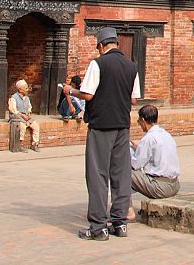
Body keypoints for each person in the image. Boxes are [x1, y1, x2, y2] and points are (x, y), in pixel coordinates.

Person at [64, 27, 141, 241]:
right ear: (116, 43)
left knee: (98, 174)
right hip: (122, 126)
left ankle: (98, 226)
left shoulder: (98, 64)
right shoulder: (131, 66)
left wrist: (70, 91)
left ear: (101, 46)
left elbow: (87, 95)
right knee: (121, 173)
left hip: (101, 126)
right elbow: (134, 99)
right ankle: (120, 222)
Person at [129, 104, 181, 206]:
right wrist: (138, 148)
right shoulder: (166, 134)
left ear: (143, 120)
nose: (139, 123)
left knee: (122, 172)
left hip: (161, 186)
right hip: (174, 184)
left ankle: (127, 209)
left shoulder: (149, 138)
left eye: (139, 121)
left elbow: (136, 164)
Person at [7, 79, 41, 152]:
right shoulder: (13, 98)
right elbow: (13, 110)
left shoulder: (27, 98)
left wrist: (28, 113)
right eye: (25, 88)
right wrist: (22, 115)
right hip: (17, 118)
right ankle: (19, 145)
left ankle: (34, 144)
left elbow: (29, 107)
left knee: (36, 125)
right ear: (20, 89)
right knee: (21, 126)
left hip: (26, 117)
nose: (27, 89)